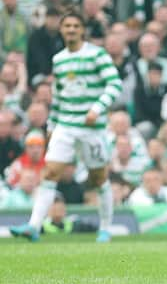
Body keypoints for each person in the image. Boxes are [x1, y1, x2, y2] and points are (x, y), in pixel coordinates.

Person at [10, 12, 122, 242]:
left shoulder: (97, 55)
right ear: (61, 30)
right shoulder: (59, 59)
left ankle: (105, 228)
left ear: (82, 30)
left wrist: (97, 108)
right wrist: (52, 125)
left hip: (92, 127)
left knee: (99, 178)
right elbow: (59, 95)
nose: (71, 30)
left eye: (75, 26)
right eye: (67, 26)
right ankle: (33, 226)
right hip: (66, 125)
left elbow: (114, 83)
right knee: (50, 173)